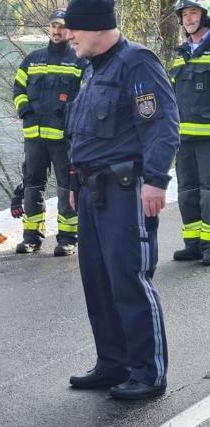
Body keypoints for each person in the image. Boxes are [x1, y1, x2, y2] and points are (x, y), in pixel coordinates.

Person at [64, 0, 178, 400]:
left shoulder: (137, 63)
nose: (68, 35)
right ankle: (114, 363)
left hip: (127, 189)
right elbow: (81, 133)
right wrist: (75, 184)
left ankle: (148, 373)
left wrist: (156, 181)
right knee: (97, 279)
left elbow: (162, 124)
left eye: (74, 29)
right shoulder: (93, 68)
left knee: (129, 278)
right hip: (93, 190)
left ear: (97, 27)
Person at [12, 9, 86, 256]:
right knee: (33, 186)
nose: (57, 31)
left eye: (62, 27)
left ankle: (68, 238)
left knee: (67, 187)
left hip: (64, 141)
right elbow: (18, 88)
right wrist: (24, 111)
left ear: (70, 30)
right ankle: (31, 237)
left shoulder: (78, 60)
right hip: (34, 138)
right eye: (54, 26)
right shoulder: (32, 59)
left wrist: (71, 122)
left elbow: (86, 97)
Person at [171, 0, 210, 264]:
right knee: (187, 191)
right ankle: (193, 244)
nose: (188, 18)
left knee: (209, 191)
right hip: (183, 138)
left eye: (193, 12)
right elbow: (169, 95)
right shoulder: (180, 54)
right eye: (185, 15)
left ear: (205, 15)